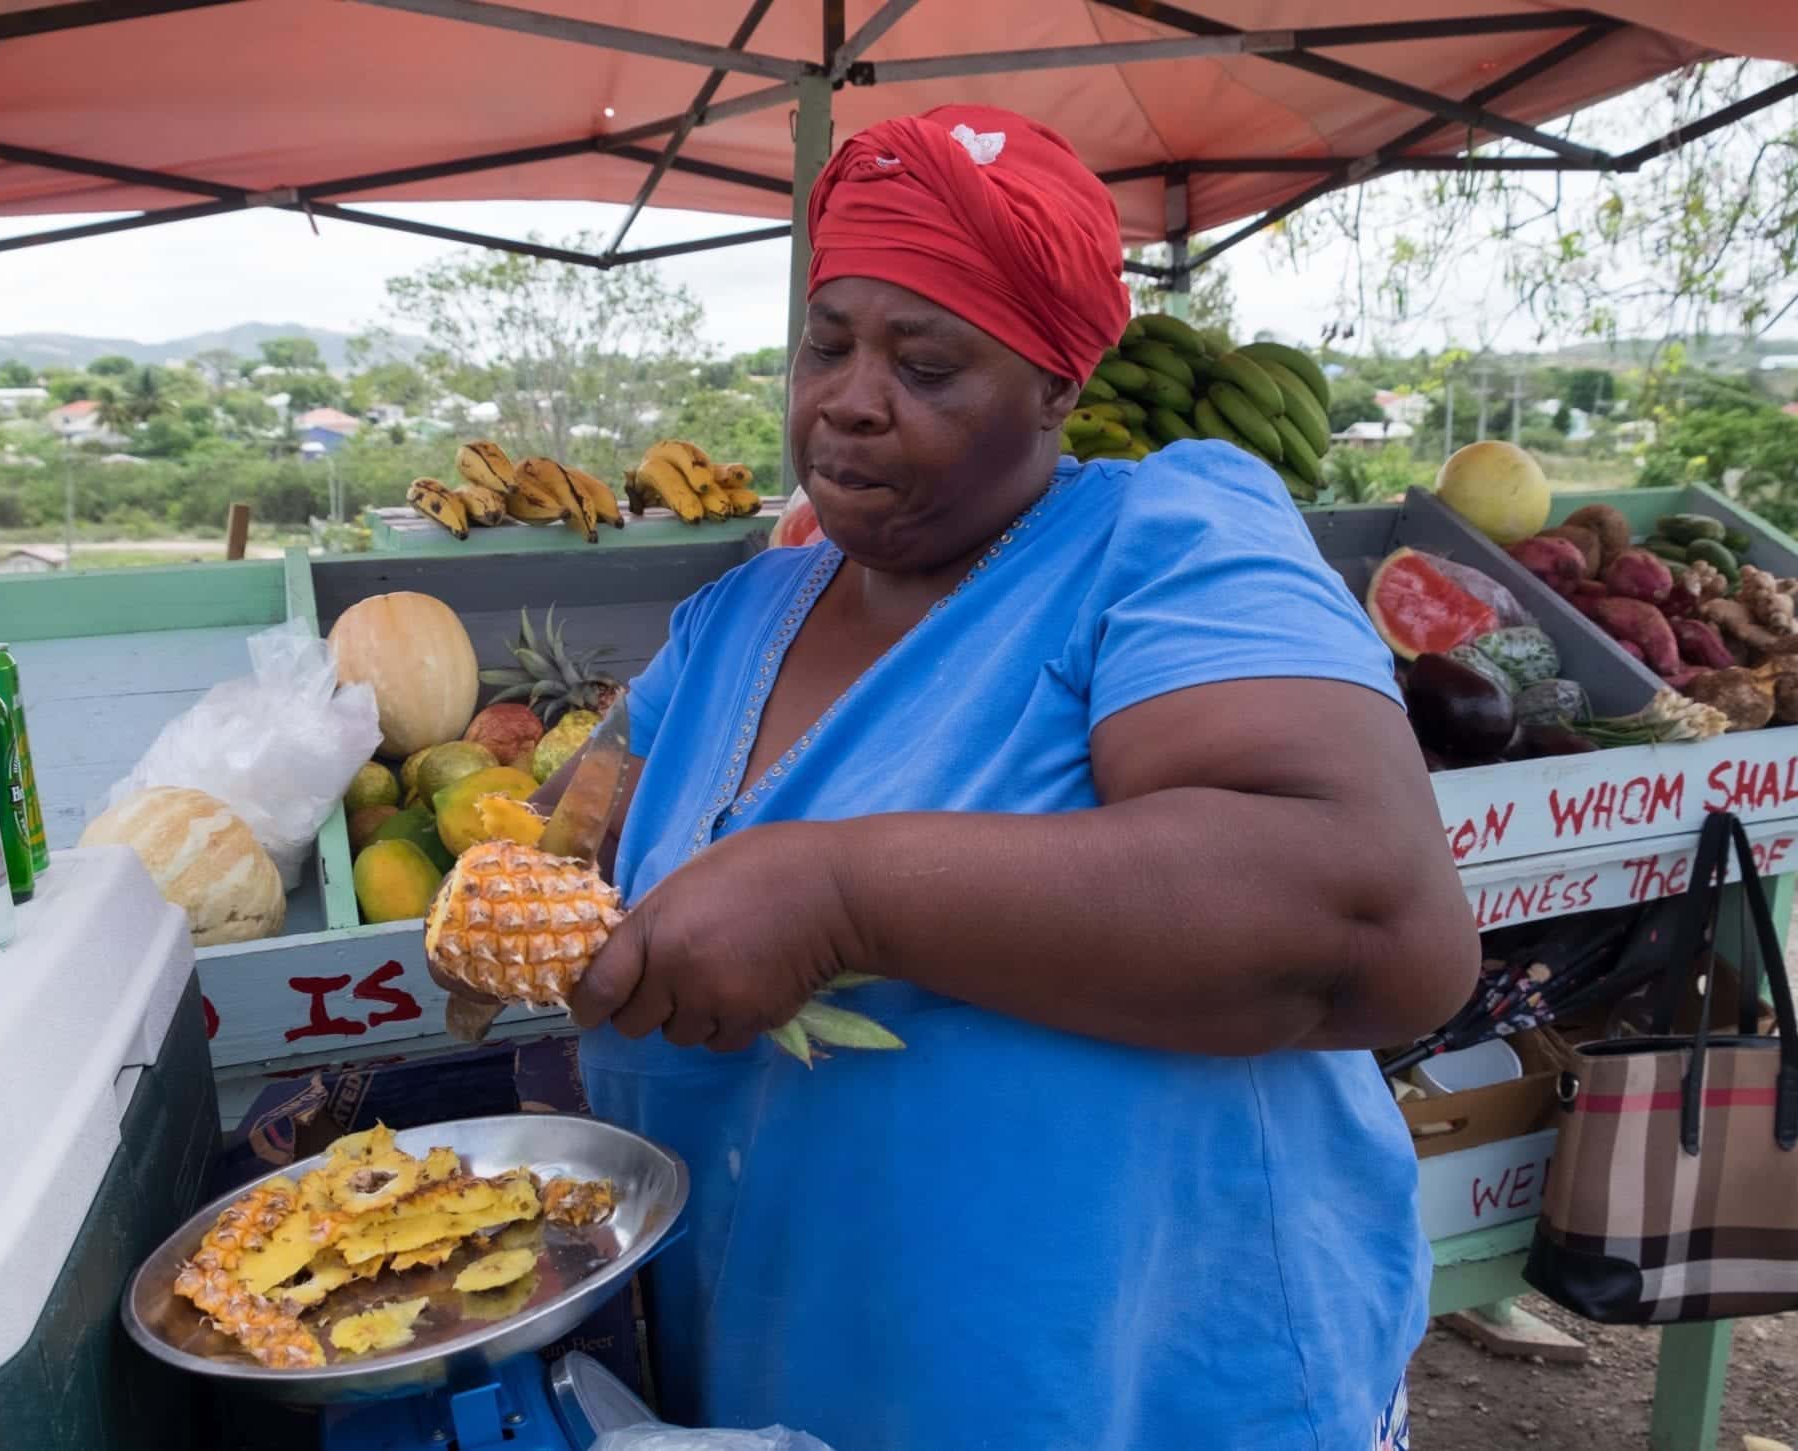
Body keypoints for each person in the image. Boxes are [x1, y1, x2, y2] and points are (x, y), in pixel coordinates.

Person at [502, 105, 1475, 1448]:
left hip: (1139, 1391)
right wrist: (528, 887)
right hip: (799, 1380)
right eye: (826, 343)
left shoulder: (1166, 540)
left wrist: (841, 894)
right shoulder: (737, 618)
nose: (848, 396)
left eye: (928, 362)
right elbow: (601, 795)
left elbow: (1372, 925)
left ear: (1058, 390)